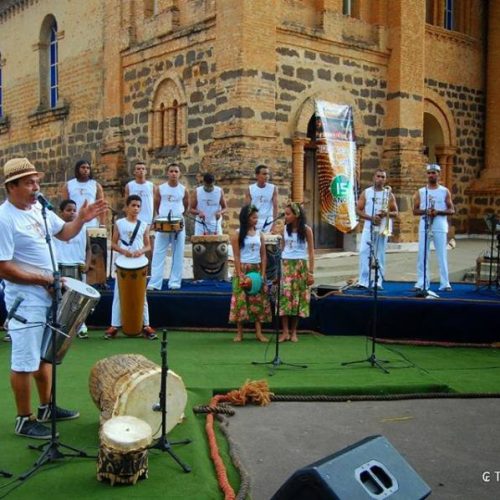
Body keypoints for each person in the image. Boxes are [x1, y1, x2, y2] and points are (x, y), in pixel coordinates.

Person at [0, 157, 107, 439]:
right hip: (26, 300)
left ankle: (46, 406)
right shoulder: (4, 218)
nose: (36, 187)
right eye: (29, 182)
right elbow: (4, 267)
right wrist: (45, 278)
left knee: (46, 354)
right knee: (25, 359)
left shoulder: (39, 210)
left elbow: (64, 233)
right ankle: (24, 419)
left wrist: (81, 219)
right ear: (11, 187)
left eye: (36, 181)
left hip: (49, 295)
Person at [105, 195, 156, 340]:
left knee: (142, 295)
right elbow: (113, 243)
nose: (136, 208)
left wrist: (141, 251)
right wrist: (123, 251)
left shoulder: (143, 224)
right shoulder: (120, 223)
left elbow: (148, 245)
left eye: (138, 206)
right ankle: (114, 325)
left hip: (139, 262)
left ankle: (146, 325)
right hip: (123, 262)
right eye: (133, 205)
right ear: (127, 207)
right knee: (118, 294)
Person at [229, 204, 271, 342]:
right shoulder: (237, 234)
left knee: (257, 300)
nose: (256, 220)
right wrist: (240, 273)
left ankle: (259, 332)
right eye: (253, 217)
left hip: (256, 268)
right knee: (241, 299)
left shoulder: (260, 234)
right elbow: (236, 256)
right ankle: (239, 333)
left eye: (257, 217)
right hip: (243, 268)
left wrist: (263, 273)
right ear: (246, 218)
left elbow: (264, 255)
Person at [53, 199, 91, 339]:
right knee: (58, 298)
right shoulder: (55, 227)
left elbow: (88, 249)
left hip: (78, 266)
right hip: (59, 265)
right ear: (61, 212)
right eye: (69, 210)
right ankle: (57, 325)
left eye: (74, 210)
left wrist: (87, 264)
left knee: (79, 299)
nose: (72, 213)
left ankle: (81, 326)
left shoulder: (83, 228)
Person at [413, 163, 455, 292]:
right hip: (425, 223)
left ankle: (445, 282)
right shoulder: (421, 191)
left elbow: (451, 209)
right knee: (422, 254)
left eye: (434, 173)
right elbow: (415, 210)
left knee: (441, 254)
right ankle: (422, 282)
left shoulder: (444, 191)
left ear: (438, 174)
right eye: (429, 173)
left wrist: (438, 212)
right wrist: (426, 211)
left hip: (439, 224)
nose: (431, 175)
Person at [148, 163, 189, 290]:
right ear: (167, 173)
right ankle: (155, 283)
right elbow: (157, 204)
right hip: (163, 223)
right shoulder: (160, 188)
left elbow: (186, 205)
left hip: (178, 224)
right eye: (171, 171)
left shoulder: (183, 189)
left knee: (178, 252)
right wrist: (157, 219)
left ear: (179, 173)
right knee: (158, 253)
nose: (173, 174)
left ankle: (175, 282)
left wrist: (181, 216)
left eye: (176, 171)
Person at [356, 169, 398, 290]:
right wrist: (371, 218)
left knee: (380, 254)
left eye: (383, 177)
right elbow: (358, 210)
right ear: (374, 177)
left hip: (382, 227)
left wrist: (386, 213)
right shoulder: (366, 192)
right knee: (364, 252)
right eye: (378, 176)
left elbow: (396, 212)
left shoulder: (389, 194)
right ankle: (363, 281)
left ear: (385, 179)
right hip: (369, 226)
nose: (380, 179)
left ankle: (378, 281)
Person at [278, 203, 315, 343]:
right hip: (287, 265)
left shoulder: (306, 230)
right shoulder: (284, 230)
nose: (285, 217)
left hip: (300, 266)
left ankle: (294, 331)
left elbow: (311, 252)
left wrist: (311, 272)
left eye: (288, 214)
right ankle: (285, 331)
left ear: (296, 215)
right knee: (285, 298)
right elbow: (282, 250)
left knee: (297, 299)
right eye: (285, 214)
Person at [61, 159, 106, 228]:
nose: (86, 170)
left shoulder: (96, 185)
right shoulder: (68, 185)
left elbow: (101, 206)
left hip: (91, 223)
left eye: (88, 168)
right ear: (77, 169)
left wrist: (102, 224)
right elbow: (65, 206)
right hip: (74, 222)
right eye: (83, 167)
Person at [245, 165, 278, 233]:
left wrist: (274, 224)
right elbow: (247, 208)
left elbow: (275, 207)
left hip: (268, 221)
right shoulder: (250, 189)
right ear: (257, 175)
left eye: (268, 174)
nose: (267, 176)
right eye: (264, 174)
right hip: (255, 221)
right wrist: (247, 223)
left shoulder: (273, 188)